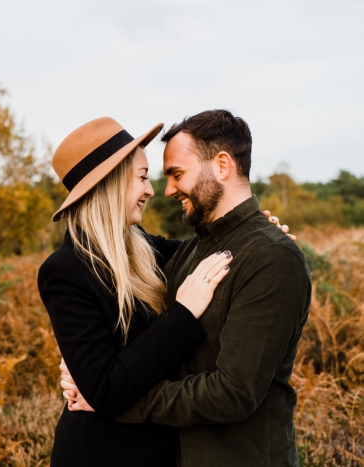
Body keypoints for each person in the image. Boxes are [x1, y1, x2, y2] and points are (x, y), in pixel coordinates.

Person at [61, 110, 311, 467]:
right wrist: (88, 369)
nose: (167, 189)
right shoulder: (191, 251)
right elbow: (146, 336)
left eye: (177, 175)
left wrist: (112, 403)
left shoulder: (271, 257)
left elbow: (234, 393)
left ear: (222, 165)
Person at [37, 116, 238, 466]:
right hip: (103, 454)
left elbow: (206, 251)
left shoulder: (143, 246)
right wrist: (183, 312)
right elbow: (106, 388)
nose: (150, 190)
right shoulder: (64, 271)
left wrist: (257, 232)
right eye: (142, 177)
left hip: (162, 450)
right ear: (110, 184)